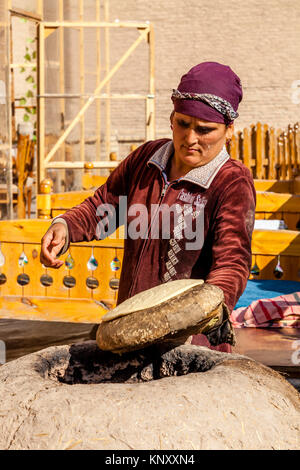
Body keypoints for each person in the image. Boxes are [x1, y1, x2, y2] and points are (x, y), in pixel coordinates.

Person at [40, 62, 256, 352]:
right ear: (171, 118)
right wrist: (64, 227)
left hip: (189, 347)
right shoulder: (146, 159)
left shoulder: (231, 182)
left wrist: (209, 309)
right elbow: (103, 207)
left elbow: (232, 263)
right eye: (183, 124)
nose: (190, 139)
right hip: (130, 330)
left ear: (229, 130)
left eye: (205, 130)